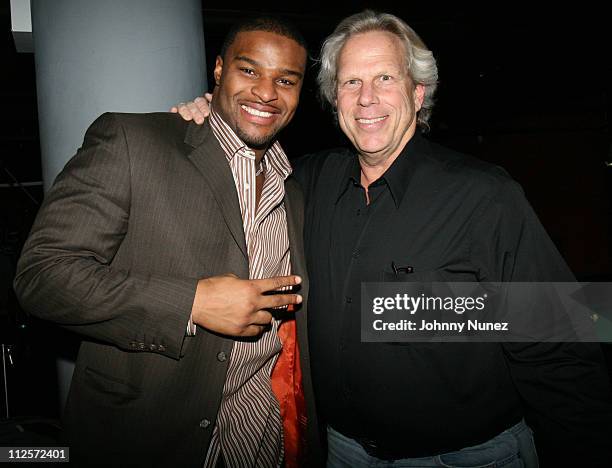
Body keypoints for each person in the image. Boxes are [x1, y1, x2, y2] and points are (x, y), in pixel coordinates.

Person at [175, 9, 612, 468]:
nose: (367, 99)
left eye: (384, 77)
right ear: (334, 98)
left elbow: (564, 341)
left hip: (467, 457)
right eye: (350, 82)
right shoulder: (307, 182)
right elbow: (238, 166)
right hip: (340, 452)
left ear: (417, 92)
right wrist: (207, 115)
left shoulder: (484, 196)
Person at [14, 16, 323, 468]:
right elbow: (42, 276)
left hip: (260, 437)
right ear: (219, 71)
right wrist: (191, 302)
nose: (266, 92)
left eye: (286, 80)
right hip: (147, 438)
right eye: (250, 70)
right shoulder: (132, 140)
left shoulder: (292, 187)